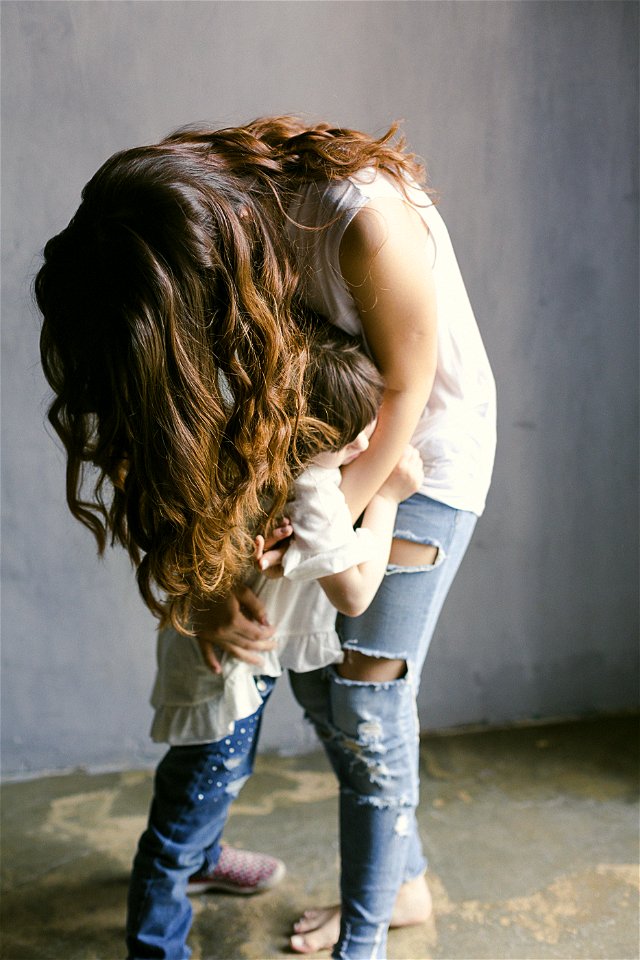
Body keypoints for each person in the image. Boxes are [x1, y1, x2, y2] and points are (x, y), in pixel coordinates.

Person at [36, 116, 496, 960]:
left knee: (365, 700)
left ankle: (368, 938)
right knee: (323, 684)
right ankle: (401, 884)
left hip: (420, 456)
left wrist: (324, 519)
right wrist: (242, 562)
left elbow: (409, 389)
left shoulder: (361, 221)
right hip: (323, 452)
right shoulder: (193, 236)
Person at [127, 321, 422, 958]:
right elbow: (357, 592)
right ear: (325, 433)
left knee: (218, 776)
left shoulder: (248, 446)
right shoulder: (315, 486)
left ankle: (204, 859)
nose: (375, 437)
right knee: (192, 801)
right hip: (223, 669)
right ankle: (157, 944)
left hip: (223, 655)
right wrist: (390, 494)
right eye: (364, 426)